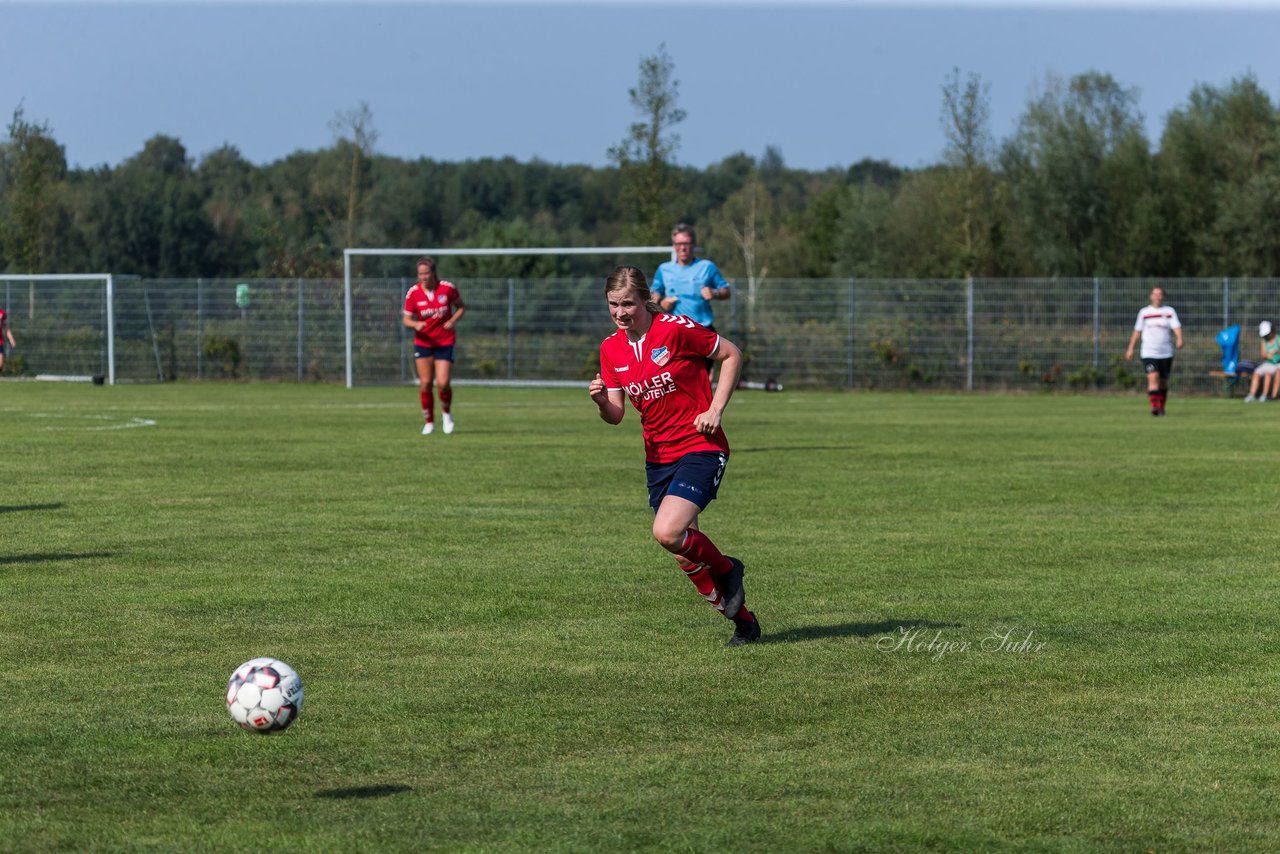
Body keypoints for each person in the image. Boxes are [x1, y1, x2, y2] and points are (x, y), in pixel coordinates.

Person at [589, 265, 760, 647]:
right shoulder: (610, 348)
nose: (620, 313)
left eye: (628, 304)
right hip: (658, 457)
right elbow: (616, 415)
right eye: (613, 305)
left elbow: (732, 354)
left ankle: (730, 569)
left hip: (700, 446)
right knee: (685, 554)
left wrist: (715, 409)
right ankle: (746, 624)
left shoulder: (675, 328)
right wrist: (602, 401)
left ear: (645, 300)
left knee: (667, 532)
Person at [652, 224, 731, 373]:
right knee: (675, 378)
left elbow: (726, 291)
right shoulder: (664, 269)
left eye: (686, 244)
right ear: (673, 246)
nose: (682, 248)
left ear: (693, 244)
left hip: (702, 329)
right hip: (674, 332)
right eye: (678, 244)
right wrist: (661, 301)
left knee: (700, 378)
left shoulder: (707, 267)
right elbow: (652, 294)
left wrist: (714, 293)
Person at [403, 257, 465, 435]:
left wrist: (453, 320)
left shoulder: (447, 288)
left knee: (443, 383)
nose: (423, 277)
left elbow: (460, 307)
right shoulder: (413, 293)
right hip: (423, 342)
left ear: (433, 273)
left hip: (445, 341)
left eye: (426, 273)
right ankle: (429, 422)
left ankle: (446, 414)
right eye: (420, 274)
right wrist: (415, 325)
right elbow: (406, 319)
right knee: (425, 383)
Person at [1124, 286, 1183, 416]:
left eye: (1160, 294)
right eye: (1155, 294)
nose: (1157, 296)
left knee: (1163, 381)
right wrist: (1130, 348)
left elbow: (1176, 327)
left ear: (1163, 296)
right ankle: (1154, 407)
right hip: (1149, 352)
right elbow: (1137, 331)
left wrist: (1179, 338)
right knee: (1153, 377)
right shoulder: (1144, 312)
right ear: (1151, 296)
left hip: (1166, 352)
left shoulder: (1169, 311)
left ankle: (1161, 407)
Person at [1245, 320, 1280, 402]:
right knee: (1256, 373)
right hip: (1268, 363)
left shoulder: (1278, 339)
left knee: (1269, 374)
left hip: (1277, 364)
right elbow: (1263, 354)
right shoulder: (1264, 340)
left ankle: (1266, 395)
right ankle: (1252, 395)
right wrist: (1268, 356)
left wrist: (1276, 351)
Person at [0, 306, 13, 373]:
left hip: (0, 342)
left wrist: (11, 339)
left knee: (1, 364)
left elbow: (6, 327)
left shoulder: (2, 313)